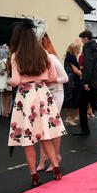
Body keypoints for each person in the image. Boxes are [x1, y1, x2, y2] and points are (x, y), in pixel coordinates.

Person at [6, 19, 64, 186]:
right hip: (43, 93)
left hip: (26, 96)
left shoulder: (16, 56)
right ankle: (56, 167)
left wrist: (9, 82)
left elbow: (15, 81)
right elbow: (53, 78)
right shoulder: (45, 54)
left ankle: (34, 175)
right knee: (45, 135)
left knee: (28, 139)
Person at [36, 32, 69, 173]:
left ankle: (54, 157)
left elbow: (65, 77)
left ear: (41, 41)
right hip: (41, 94)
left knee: (52, 128)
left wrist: (51, 80)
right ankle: (43, 159)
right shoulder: (34, 58)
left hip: (55, 94)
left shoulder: (52, 58)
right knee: (42, 129)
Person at [63, 40, 82, 126]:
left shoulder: (71, 56)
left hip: (73, 81)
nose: (80, 50)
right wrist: (84, 74)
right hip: (71, 83)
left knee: (76, 98)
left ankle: (78, 115)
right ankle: (69, 118)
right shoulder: (71, 57)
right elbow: (75, 70)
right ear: (76, 49)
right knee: (71, 100)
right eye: (79, 48)